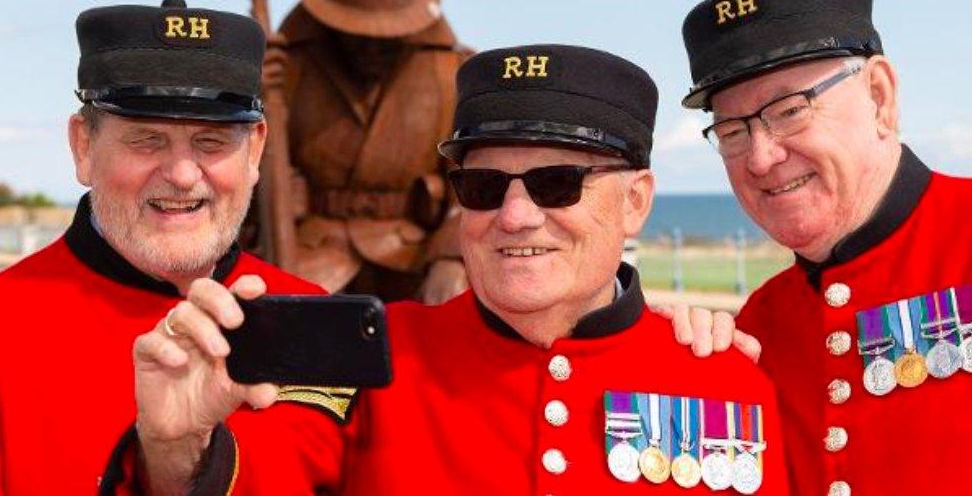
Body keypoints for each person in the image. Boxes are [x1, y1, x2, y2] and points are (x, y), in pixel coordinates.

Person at [112, 45, 790, 495]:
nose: (517, 215)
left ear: (636, 200)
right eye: (484, 186)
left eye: (557, 183)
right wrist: (175, 447)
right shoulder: (368, 360)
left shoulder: (725, 378)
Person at [0, 0, 326, 494]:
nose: (181, 175)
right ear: (83, 147)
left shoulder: (316, 321)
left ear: (255, 150)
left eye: (211, 143)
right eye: (146, 140)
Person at [676, 0, 972, 496]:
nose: (762, 158)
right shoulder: (758, 328)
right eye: (731, 131)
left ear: (879, 96)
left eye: (790, 110)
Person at [254, 0, 470, 303]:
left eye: (385, 42)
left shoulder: (450, 73)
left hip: (413, 254)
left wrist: (451, 255)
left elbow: (471, 182)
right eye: (356, 37)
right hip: (312, 252)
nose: (371, 50)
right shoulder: (286, 69)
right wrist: (256, 97)